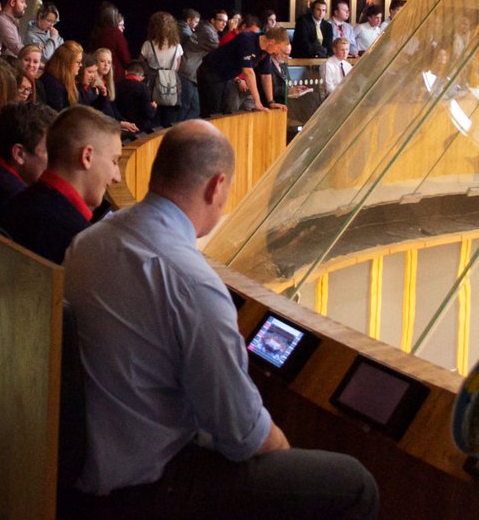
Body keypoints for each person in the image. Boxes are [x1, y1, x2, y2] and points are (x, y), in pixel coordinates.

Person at [65, 121, 379, 518]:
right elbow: (243, 434)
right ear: (217, 187)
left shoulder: (86, 243)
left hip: (83, 471)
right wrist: (285, 456)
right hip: (146, 490)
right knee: (352, 483)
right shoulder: (193, 285)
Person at [0, 105, 121, 264]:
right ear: (87, 156)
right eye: (114, 161)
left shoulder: (16, 202)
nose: (118, 177)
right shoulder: (78, 241)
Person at [197, 25, 289, 117]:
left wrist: (271, 102)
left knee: (224, 111)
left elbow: (266, 75)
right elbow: (248, 73)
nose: (277, 52)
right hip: (211, 72)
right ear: (272, 42)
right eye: (278, 48)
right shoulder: (247, 40)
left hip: (227, 76)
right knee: (213, 113)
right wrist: (257, 102)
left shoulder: (266, 51)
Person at [141, 11, 184, 128]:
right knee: (169, 119)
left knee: (154, 118)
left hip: (152, 83)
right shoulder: (177, 46)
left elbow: (141, 65)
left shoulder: (148, 45)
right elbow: (178, 65)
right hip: (171, 82)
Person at [90, 3, 132, 82]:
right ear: (112, 18)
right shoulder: (115, 33)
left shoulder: (95, 32)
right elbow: (125, 58)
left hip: (97, 74)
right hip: (114, 76)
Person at [41, 40, 84, 111]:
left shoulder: (65, 81)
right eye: (78, 62)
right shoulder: (53, 85)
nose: (81, 65)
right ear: (66, 63)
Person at [115, 61, 156, 134]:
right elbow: (148, 113)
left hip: (121, 128)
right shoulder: (143, 88)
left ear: (126, 72)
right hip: (140, 129)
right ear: (142, 77)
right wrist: (153, 107)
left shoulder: (116, 86)